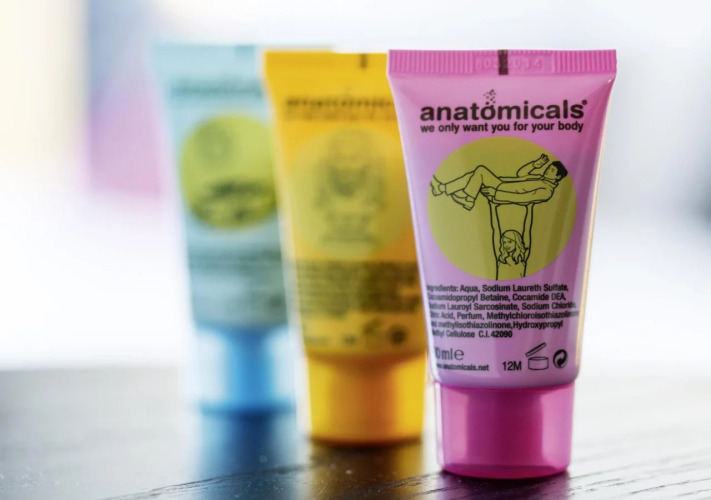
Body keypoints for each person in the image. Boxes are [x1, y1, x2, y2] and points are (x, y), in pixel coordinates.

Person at [430, 154, 567, 209]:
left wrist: (496, 193)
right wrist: (535, 165)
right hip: (502, 185)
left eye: (552, 170)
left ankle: (469, 199)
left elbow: (523, 198)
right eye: (548, 167)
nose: (547, 170)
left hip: (501, 192)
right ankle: (441, 188)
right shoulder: (539, 178)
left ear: (557, 177)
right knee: (474, 174)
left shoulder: (546, 190)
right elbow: (521, 174)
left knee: (480, 171)